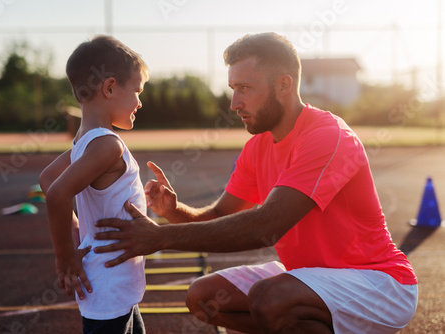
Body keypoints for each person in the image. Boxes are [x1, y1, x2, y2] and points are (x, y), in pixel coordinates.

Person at [93, 33, 418, 333]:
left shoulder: (326, 136)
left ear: (284, 85)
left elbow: (267, 226)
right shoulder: (258, 148)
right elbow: (220, 217)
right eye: (233, 88)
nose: (234, 104)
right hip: (308, 276)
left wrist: (160, 238)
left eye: (245, 88)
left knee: (271, 299)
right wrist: (174, 211)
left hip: (379, 282)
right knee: (204, 296)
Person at [39, 35, 148, 334]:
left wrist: (77, 230)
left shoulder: (83, 143)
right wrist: (65, 257)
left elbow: (47, 179)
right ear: (110, 87)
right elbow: (57, 193)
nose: (140, 101)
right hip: (109, 282)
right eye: (137, 91)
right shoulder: (106, 146)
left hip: (114, 281)